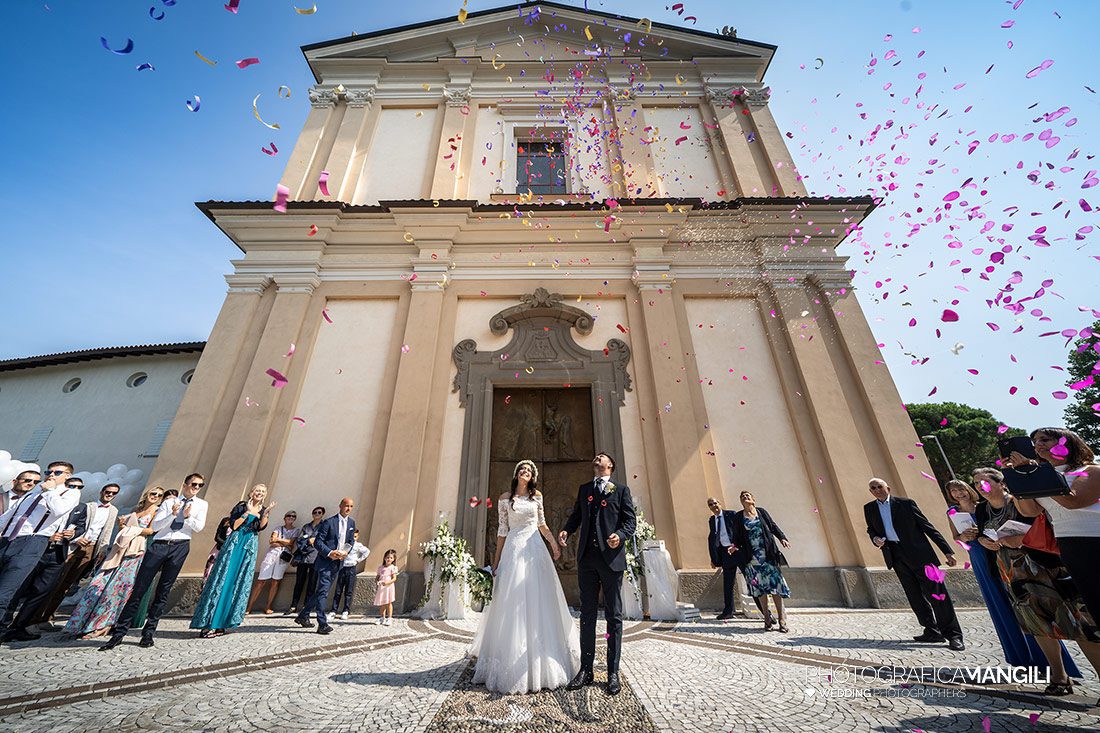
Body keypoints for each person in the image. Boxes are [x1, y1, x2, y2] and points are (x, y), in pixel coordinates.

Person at [973, 468, 1096, 695]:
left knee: (1077, 621)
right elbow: (984, 533)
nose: (980, 487)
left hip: (1043, 565)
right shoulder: (981, 509)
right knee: (1037, 624)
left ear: (1001, 483)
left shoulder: (1020, 501)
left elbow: (1041, 525)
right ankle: (1059, 676)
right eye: (976, 484)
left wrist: (1019, 539)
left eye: (985, 483)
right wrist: (984, 540)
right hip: (1013, 571)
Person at [472, 460, 579, 694]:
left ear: (532, 477)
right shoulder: (504, 498)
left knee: (538, 597)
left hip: (535, 550)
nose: (525, 472)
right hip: (513, 548)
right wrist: (496, 561)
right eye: (522, 469)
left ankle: (542, 658)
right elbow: (502, 531)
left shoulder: (537, 496)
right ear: (516, 474)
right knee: (511, 600)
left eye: (529, 471)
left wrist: (553, 544)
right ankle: (508, 658)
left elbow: (542, 523)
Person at [101, 472, 209, 650]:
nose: (196, 488)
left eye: (199, 486)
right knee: (139, 589)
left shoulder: (202, 505)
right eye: (194, 484)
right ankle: (119, 633)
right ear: (185, 484)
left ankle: (148, 633)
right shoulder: (168, 502)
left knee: (163, 591)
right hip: (159, 546)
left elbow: (199, 527)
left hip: (180, 546)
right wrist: (172, 515)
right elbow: (156, 527)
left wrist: (188, 517)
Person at [1007, 427, 1100, 628]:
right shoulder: (1039, 474)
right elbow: (1029, 511)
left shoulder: (1090, 470)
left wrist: (1037, 475)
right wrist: (1020, 479)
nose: (1038, 445)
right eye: (1034, 442)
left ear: (1067, 443)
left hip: (1095, 538)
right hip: (1068, 543)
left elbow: (1073, 502)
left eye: (1045, 440)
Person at [560, 452, 635, 696]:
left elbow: (629, 522)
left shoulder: (621, 490)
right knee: (587, 614)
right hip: (587, 560)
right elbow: (577, 516)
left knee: (614, 616)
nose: (596, 458)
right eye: (595, 457)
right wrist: (566, 531)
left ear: (610, 465)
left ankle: (612, 672)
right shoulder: (585, 489)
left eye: (601, 457)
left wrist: (620, 536)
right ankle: (586, 669)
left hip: (611, 560)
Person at [864, 477, 965, 650]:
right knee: (915, 596)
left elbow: (927, 527)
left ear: (887, 487)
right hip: (896, 555)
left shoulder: (906, 504)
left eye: (879, 486)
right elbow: (871, 528)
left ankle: (954, 635)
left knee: (938, 595)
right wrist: (875, 539)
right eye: (873, 488)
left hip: (921, 556)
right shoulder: (869, 508)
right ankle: (932, 630)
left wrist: (947, 551)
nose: (877, 490)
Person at [64, 486, 163, 639]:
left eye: (159, 495)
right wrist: (122, 525)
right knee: (99, 584)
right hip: (119, 549)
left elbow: (151, 531)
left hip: (134, 551)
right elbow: (123, 529)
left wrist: (132, 529)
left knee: (118, 588)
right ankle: (81, 622)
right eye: (153, 493)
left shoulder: (157, 512)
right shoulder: (137, 509)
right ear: (147, 494)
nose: (155, 496)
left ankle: (105, 624)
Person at [1, 475, 89, 641]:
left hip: (56, 554)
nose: (75, 489)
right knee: (15, 588)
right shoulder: (38, 497)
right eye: (72, 485)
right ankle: (4, 624)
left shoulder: (79, 506)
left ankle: (19, 626)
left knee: (40, 592)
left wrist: (73, 535)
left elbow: (80, 527)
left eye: (79, 487)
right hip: (32, 547)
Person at [30, 481, 121, 631]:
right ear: (102, 492)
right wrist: (76, 539)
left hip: (91, 549)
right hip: (73, 545)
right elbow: (74, 525)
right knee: (55, 581)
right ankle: (34, 618)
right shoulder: (88, 506)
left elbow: (108, 531)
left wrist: (102, 551)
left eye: (113, 493)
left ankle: (47, 618)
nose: (110, 495)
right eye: (108, 491)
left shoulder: (113, 510)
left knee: (67, 585)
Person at [191, 484, 275, 637]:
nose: (259, 493)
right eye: (257, 490)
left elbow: (260, 528)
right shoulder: (242, 506)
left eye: (262, 492)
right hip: (236, 543)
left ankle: (223, 623)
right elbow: (234, 525)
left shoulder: (262, 510)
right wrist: (247, 513)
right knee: (223, 579)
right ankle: (209, 622)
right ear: (251, 492)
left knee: (238, 582)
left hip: (249, 546)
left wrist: (266, 514)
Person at [730, 490, 792, 632]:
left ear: (753, 499)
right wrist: (734, 547)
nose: (745, 497)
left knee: (776, 588)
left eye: (747, 496)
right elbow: (737, 538)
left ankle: (782, 619)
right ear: (741, 502)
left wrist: (782, 538)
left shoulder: (761, 512)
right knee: (760, 590)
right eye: (742, 497)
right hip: (752, 559)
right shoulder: (739, 517)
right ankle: (767, 619)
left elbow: (772, 526)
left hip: (768, 556)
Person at [296, 497, 356, 634]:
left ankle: (303, 615)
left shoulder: (351, 523)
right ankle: (322, 623)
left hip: (338, 562)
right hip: (325, 562)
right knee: (323, 592)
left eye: (351, 506)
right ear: (340, 506)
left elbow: (350, 541)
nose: (348, 508)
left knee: (320, 592)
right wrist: (329, 553)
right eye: (346, 505)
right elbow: (318, 542)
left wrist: (345, 552)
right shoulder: (329, 522)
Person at [248, 510, 299, 614]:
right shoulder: (278, 528)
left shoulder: (296, 530)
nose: (291, 517)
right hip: (272, 554)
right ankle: (249, 607)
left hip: (283, 557)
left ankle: (268, 606)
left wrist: (278, 540)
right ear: (284, 518)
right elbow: (272, 541)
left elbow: (291, 542)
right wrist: (285, 542)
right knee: (261, 581)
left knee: (276, 581)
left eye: (293, 516)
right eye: (288, 515)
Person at [706, 497, 740, 620]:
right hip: (726, 554)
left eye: (715, 503)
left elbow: (739, 531)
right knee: (728, 583)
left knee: (750, 580)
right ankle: (728, 611)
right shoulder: (712, 520)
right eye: (710, 504)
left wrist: (736, 545)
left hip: (737, 550)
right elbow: (713, 539)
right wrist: (714, 558)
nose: (713, 506)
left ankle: (765, 612)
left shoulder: (731, 514)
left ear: (720, 504)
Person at [287, 506, 325, 616]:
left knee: (312, 584)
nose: (316, 514)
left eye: (319, 512)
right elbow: (300, 541)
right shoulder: (306, 526)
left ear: (322, 514)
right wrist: (309, 542)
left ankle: (306, 606)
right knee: (299, 582)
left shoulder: (323, 526)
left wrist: (312, 541)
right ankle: (293, 605)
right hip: (303, 557)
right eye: (315, 512)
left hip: (315, 558)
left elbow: (321, 541)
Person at [331, 529, 369, 620]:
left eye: (355, 536)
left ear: (357, 537)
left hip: (351, 568)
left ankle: (346, 610)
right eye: (352, 536)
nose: (353, 538)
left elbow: (367, 551)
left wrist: (358, 560)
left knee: (349, 591)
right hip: (342, 567)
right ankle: (333, 610)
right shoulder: (344, 544)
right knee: (338, 590)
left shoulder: (358, 545)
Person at [201, 516, 233, 588]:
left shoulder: (243, 525)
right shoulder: (226, 521)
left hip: (230, 555)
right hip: (218, 551)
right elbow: (217, 537)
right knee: (209, 574)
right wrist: (227, 545)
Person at [372, 548, 397, 625]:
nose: (389, 559)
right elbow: (378, 576)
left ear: (393, 559)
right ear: (384, 558)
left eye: (391, 558)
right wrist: (377, 581)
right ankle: (382, 617)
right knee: (382, 603)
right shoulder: (381, 568)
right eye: (387, 557)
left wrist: (387, 582)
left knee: (388, 602)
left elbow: (394, 578)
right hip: (382, 587)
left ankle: (389, 618)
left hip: (389, 587)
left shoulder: (393, 568)